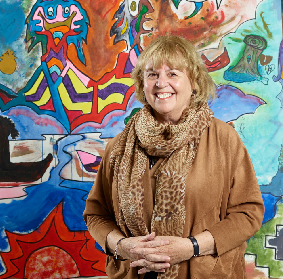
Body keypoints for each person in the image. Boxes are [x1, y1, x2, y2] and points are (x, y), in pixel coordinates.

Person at [83, 35, 264, 279]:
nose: (161, 83)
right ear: (142, 85)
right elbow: (96, 214)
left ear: (194, 83)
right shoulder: (120, 146)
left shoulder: (224, 139)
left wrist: (192, 247)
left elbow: (248, 213)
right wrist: (122, 247)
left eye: (173, 74)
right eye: (152, 74)